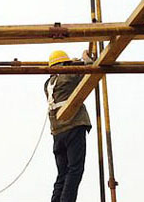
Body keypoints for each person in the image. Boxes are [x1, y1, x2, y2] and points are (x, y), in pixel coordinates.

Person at [44, 49, 92, 202]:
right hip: (73, 126)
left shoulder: (48, 84)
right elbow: (91, 69)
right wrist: (84, 58)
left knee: (62, 173)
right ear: (65, 64)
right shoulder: (69, 77)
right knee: (75, 170)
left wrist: (73, 64)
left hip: (58, 133)